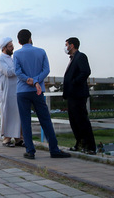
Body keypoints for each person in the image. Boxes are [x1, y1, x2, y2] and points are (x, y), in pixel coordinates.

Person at [14, 29, 71, 159]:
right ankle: (54, 150)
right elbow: (46, 70)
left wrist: (31, 81)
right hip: (38, 91)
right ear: (30, 38)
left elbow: (18, 72)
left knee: (25, 121)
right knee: (45, 120)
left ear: (18, 41)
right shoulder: (41, 51)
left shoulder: (17, 54)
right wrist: (36, 81)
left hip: (22, 91)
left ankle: (30, 151)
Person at [63, 37, 96, 155]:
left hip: (78, 94)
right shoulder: (72, 59)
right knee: (74, 121)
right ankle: (80, 143)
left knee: (82, 121)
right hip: (71, 95)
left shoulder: (81, 56)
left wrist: (74, 82)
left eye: (66, 45)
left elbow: (85, 71)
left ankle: (90, 146)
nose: (65, 47)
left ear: (72, 45)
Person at [0, 37, 24, 147]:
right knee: (7, 113)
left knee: (17, 115)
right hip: (6, 91)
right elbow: (8, 72)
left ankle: (18, 138)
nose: (13, 48)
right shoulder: (0, 59)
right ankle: (6, 139)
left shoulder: (12, 59)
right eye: (10, 46)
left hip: (15, 90)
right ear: (4, 48)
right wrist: (19, 68)